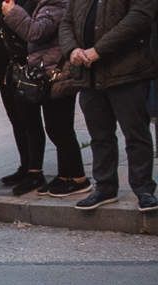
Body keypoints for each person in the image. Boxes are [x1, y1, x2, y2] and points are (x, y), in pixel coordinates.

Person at [59, 0, 158, 212]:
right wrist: (72, 50)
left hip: (127, 73)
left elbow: (138, 18)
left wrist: (98, 50)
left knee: (136, 133)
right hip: (89, 76)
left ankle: (143, 189)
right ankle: (105, 187)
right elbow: (65, 23)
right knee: (100, 136)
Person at [2, 0, 89, 197]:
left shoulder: (56, 5)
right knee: (55, 128)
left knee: (61, 129)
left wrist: (13, 12)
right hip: (50, 75)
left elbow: (35, 32)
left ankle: (79, 178)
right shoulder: (48, 4)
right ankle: (65, 175)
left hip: (58, 75)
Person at [0, 0, 38, 186]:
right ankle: (25, 165)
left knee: (30, 123)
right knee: (17, 123)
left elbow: (19, 26)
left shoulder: (16, 4)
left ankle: (35, 170)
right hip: (4, 76)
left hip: (22, 73)